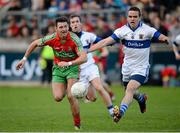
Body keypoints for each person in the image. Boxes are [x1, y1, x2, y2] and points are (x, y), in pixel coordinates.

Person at [88, 6, 170, 123]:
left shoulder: (147, 30)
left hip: (141, 68)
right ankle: (141, 99)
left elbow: (160, 36)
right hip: (127, 67)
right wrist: (88, 50)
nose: (132, 19)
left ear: (140, 17)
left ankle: (120, 112)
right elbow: (105, 41)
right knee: (129, 91)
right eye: (130, 16)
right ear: (127, 17)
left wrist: (165, 38)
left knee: (130, 89)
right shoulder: (121, 31)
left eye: (135, 17)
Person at [16, 16, 87, 130]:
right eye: (61, 27)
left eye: (65, 26)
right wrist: (24, 59)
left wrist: (69, 64)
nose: (63, 29)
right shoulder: (52, 38)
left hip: (72, 68)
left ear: (68, 27)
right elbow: (34, 43)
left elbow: (84, 58)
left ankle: (77, 123)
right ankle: (68, 89)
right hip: (58, 69)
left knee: (71, 96)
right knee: (58, 97)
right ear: (56, 28)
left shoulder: (74, 39)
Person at [69, 14, 115, 117]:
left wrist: (110, 42)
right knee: (92, 98)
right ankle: (87, 93)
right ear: (70, 25)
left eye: (77, 21)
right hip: (79, 71)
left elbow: (101, 41)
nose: (75, 24)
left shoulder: (88, 35)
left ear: (80, 23)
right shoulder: (68, 39)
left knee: (99, 87)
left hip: (90, 67)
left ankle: (112, 112)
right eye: (73, 22)